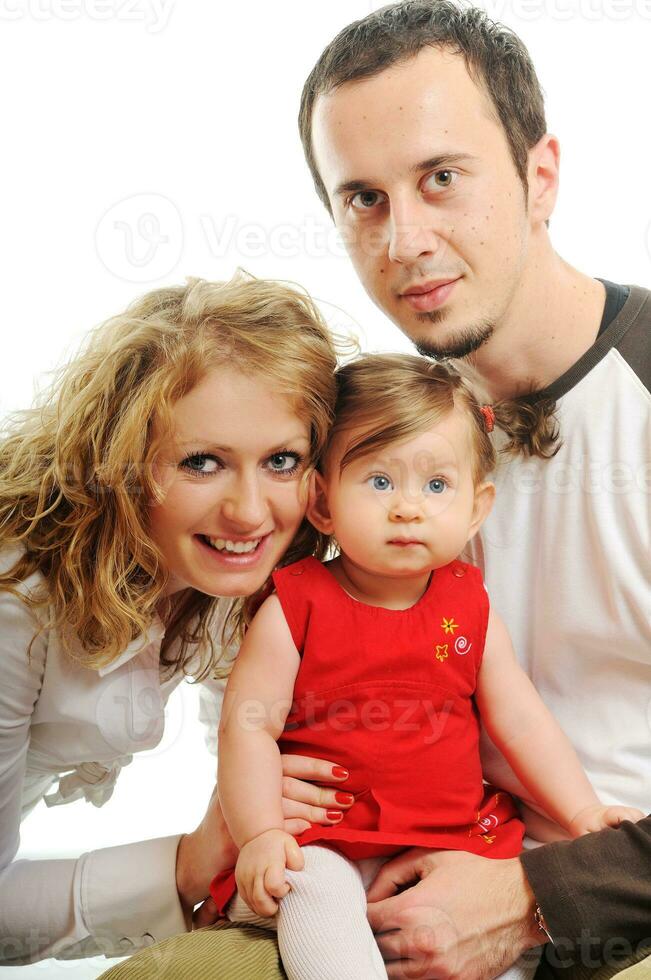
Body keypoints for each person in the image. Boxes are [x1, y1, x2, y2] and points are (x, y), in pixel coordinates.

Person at [100, 2, 650, 978]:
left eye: (442, 178)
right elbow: (294, 669)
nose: (404, 240)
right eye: (363, 198)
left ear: (540, 176)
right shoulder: (367, 427)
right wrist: (265, 803)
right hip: (370, 889)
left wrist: (542, 896)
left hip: (616, 901)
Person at [211, 353, 642, 980]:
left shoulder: (469, 604)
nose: (408, 508)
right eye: (380, 482)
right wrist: (258, 834)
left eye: (436, 486)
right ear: (323, 504)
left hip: (456, 839)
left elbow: (519, 720)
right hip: (328, 841)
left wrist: (580, 814)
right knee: (317, 902)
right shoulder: (295, 607)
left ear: (476, 507)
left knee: (484, 948)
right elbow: (246, 728)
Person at [0, 272, 360, 964]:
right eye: (202, 463)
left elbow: (247, 735)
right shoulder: (17, 601)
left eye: (281, 461)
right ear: (119, 463)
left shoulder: (230, 578)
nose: (251, 513)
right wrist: (185, 866)